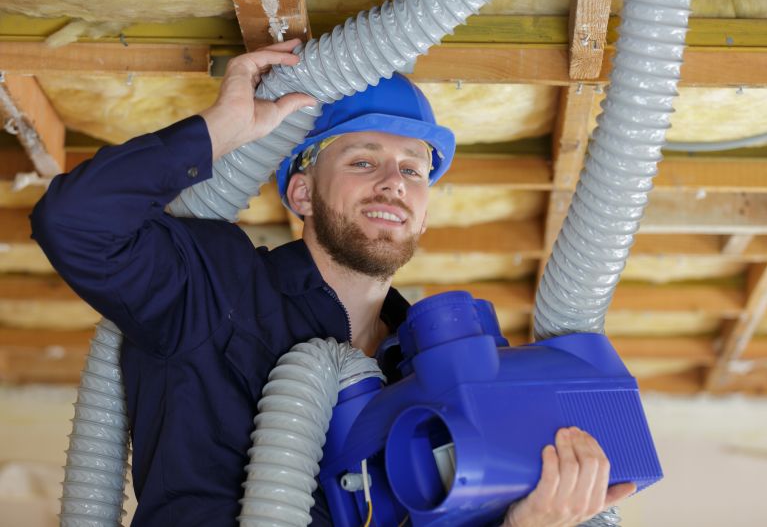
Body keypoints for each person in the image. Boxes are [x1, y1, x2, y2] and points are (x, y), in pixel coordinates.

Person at [30, 39, 635, 527]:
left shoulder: (438, 371)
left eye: (412, 169)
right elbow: (74, 223)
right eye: (363, 161)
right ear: (302, 193)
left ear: (424, 208)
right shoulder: (214, 288)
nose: (393, 183)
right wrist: (225, 127)